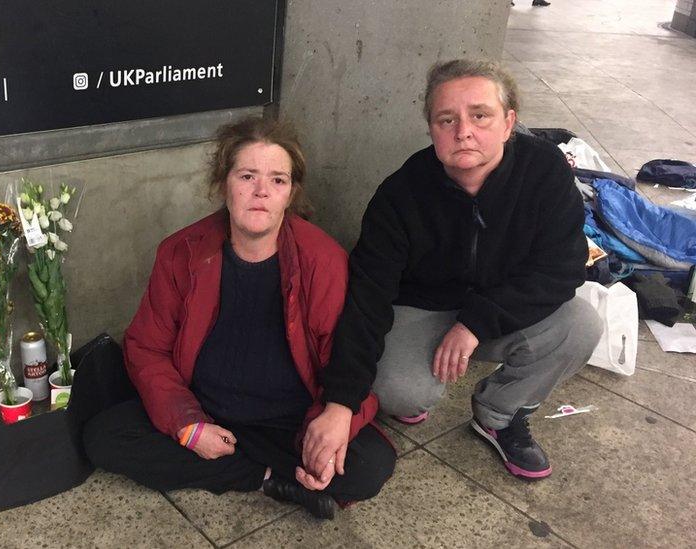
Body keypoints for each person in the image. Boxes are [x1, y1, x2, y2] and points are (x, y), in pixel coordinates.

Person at [302, 59, 602, 481]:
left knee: (582, 324)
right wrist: (340, 403)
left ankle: (498, 414)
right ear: (431, 127)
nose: (464, 131)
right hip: (425, 308)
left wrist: (477, 322)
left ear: (509, 121)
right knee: (399, 393)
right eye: (447, 119)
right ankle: (414, 393)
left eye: (480, 115)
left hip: (501, 309)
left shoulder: (545, 170)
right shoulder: (400, 194)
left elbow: (563, 265)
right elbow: (366, 296)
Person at [83, 116, 396, 520]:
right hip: (207, 408)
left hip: (289, 421)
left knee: (368, 466)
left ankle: (257, 469)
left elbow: (350, 360)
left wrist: (335, 420)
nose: (262, 192)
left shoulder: (323, 259)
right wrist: (187, 424)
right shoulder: (181, 252)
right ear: (223, 184)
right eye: (247, 176)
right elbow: (147, 347)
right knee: (104, 437)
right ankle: (266, 477)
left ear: (291, 193)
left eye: (278, 180)